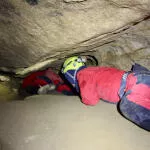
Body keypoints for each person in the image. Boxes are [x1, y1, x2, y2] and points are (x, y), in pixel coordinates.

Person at [61, 56, 150, 131]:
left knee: (127, 108)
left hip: (135, 87)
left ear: (70, 72)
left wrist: (82, 94)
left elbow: (91, 100)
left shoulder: (83, 74)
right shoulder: (95, 70)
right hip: (140, 76)